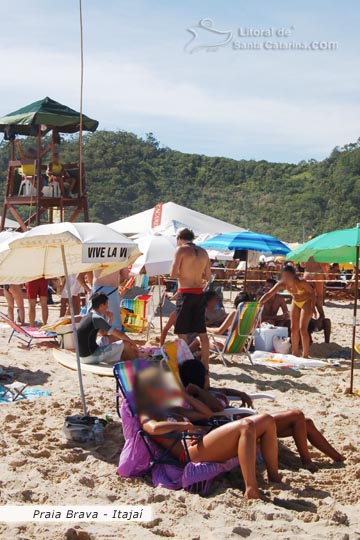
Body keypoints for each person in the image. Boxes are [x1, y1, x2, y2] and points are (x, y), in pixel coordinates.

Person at [134, 366, 281, 499]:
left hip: (202, 441)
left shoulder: (172, 409)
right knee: (246, 425)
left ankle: (274, 478)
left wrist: (186, 396)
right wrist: (183, 426)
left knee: (267, 420)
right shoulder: (146, 413)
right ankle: (251, 489)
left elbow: (206, 414)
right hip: (189, 452)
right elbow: (152, 428)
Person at [179, 359, 345, 471]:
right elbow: (215, 407)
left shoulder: (209, 391)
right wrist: (198, 390)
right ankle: (307, 462)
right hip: (243, 428)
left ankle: (337, 458)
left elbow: (224, 391)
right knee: (296, 415)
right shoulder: (200, 397)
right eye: (206, 373)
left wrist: (240, 393)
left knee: (305, 422)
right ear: (199, 378)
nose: (209, 375)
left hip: (246, 421)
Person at [170, 228, 211, 374]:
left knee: (182, 332)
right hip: (199, 293)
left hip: (185, 293)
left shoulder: (180, 250)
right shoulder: (203, 252)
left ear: (180, 238)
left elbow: (173, 274)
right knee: (202, 332)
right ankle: (206, 365)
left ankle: (186, 363)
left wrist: (184, 273)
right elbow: (208, 276)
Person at [260, 264, 315, 358]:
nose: (286, 278)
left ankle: (305, 355)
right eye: (284, 276)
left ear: (293, 275)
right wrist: (259, 302)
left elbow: (312, 293)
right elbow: (269, 294)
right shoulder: (282, 284)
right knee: (293, 328)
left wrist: (313, 307)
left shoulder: (301, 282)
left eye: (288, 276)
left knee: (303, 328)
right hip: (296, 302)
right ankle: (295, 352)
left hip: (306, 301)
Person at [77, 293, 139, 364]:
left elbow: (103, 333)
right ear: (101, 306)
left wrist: (110, 320)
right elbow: (120, 335)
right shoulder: (97, 318)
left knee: (110, 338)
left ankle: (126, 359)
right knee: (126, 343)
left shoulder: (89, 315)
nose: (107, 307)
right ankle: (136, 362)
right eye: (106, 304)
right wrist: (133, 343)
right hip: (91, 356)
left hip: (83, 356)